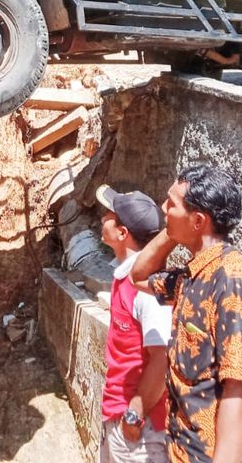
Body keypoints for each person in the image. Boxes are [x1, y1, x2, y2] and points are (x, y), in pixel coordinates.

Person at [129, 164, 242, 463]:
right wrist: (174, 229)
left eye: (171, 204)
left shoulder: (233, 281)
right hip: (184, 451)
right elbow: (139, 276)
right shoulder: (192, 276)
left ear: (199, 220)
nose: (163, 208)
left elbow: (239, 390)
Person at [95, 184, 173, 463]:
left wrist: (134, 414)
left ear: (122, 233)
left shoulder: (148, 289)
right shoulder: (125, 277)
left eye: (109, 215)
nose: (103, 217)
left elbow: (162, 359)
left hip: (140, 430)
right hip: (119, 416)